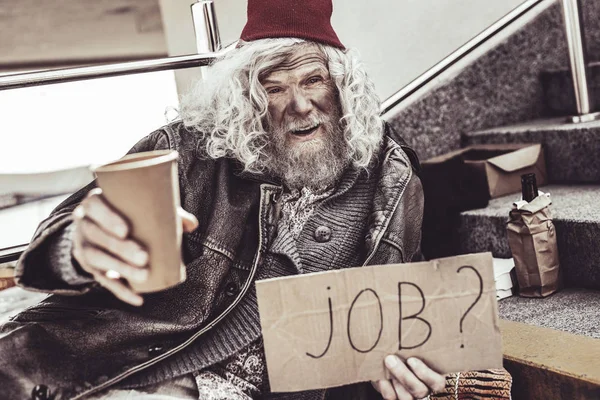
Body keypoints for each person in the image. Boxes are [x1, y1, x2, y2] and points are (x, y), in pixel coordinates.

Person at [0, 0, 445, 399]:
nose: (301, 104)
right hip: (122, 373)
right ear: (248, 98)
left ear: (344, 86)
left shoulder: (394, 179)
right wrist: (79, 244)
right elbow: (63, 233)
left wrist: (404, 369)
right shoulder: (192, 150)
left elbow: (397, 309)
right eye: (274, 87)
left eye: (314, 79)